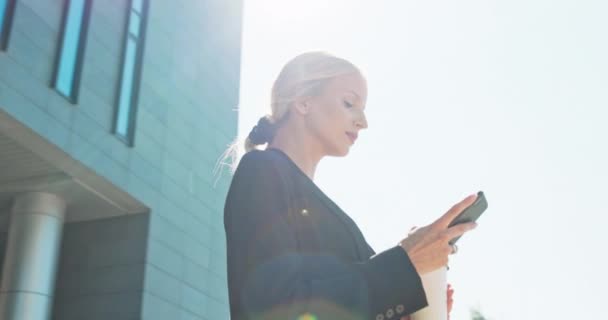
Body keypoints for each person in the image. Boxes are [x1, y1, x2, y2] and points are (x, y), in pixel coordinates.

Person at [223, 51, 477, 320]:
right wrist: (405, 263)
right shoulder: (262, 169)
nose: (363, 122)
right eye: (349, 103)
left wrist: (418, 309)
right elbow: (272, 309)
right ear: (303, 101)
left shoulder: (337, 222)